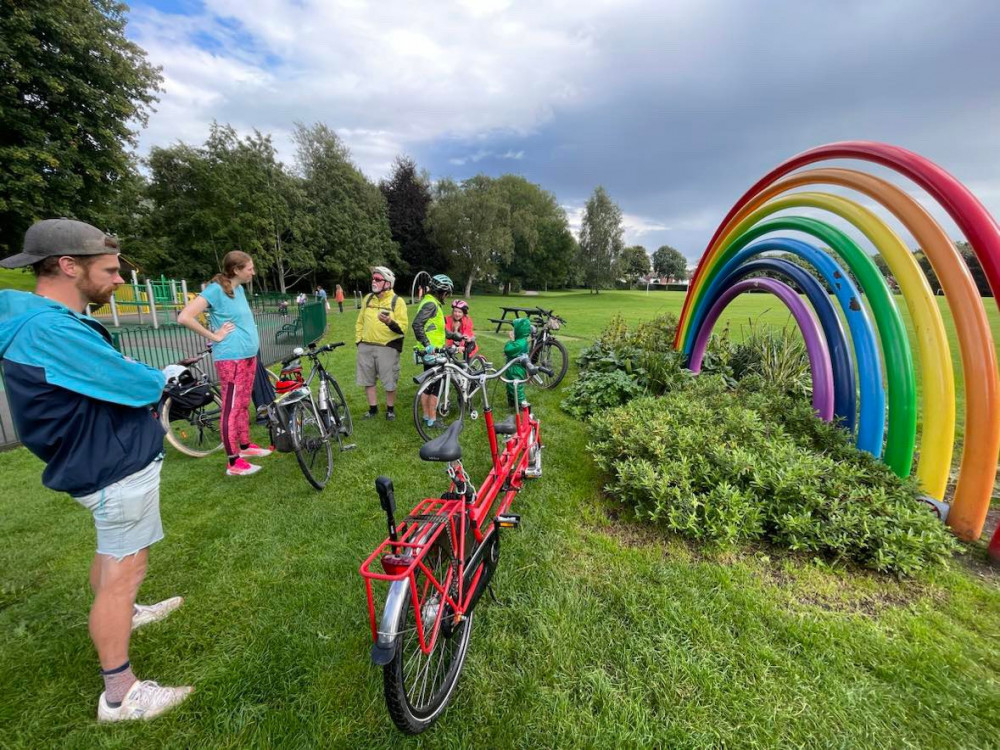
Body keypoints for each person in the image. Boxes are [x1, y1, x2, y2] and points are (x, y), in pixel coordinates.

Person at [0, 218, 192, 722]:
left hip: (98, 457)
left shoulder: (38, 319)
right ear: (67, 266)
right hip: (110, 465)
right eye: (110, 270)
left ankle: (127, 614)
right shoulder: (48, 327)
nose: (120, 280)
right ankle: (120, 694)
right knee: (124, 572)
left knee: (113, 554)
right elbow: (130, 384)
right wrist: (165, 379)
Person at [178, 251, 271, 476]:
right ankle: (233, 461)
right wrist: (215, 336)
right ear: (236, 270)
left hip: (248, 355)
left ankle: (246, 446)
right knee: (230, 408)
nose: (253, 272)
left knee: (241, 404)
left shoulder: (237, 289)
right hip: (231, 358)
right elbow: (184, 317)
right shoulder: (215, 290)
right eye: (249, 268)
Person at [355, 266, 408, 420]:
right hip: (366, 345)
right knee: (368, 379)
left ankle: (390, 409)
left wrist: (390, 321)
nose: (374, 281)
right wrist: (359, 341)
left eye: (378, 279)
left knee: (389, 380)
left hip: (388, 347)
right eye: (373, 278)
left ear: (388, 283)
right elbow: (359, 321)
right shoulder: (368, 298)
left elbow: (403, 328)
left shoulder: (397, 301)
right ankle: (373, 409)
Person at [413, 274, 465, 429]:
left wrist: (454, 335)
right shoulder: (431, 305)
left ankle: (426, 416)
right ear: (441, 291)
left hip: (430, 351)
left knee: (427, 385)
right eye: (447, 293)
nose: (447, 297)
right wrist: (428, 345)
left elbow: (438, 329)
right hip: (433, 352)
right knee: (435, 386)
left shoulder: (431, 302)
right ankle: (433, 419)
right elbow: (417, 325)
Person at [504, 317, 532, 408]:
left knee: (516, 386)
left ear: (519, 330)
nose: (513, 330)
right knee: (510, 385)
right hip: (513, 366)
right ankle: (512, 402)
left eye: (514, 328)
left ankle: (522, 404)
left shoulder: (520, 342)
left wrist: (511, 340)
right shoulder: (521, 340)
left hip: (516, 368)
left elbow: (508, 350)